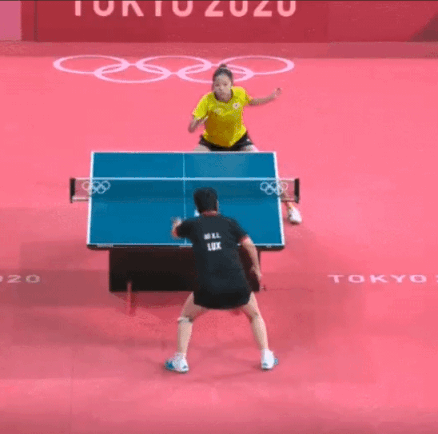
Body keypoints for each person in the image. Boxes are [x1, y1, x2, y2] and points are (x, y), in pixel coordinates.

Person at [164, 188, 278, 373]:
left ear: (197, 208)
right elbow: (249, 245)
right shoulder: (230, 223)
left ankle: (180, 361)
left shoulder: (191, 225)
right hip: (238, 286)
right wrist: (257, 269)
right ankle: (267, 357)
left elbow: (175, 234)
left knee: (186, 317)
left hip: (208, 289)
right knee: (255, 315)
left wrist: (177, 224)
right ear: (217, 205)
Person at [189, 63, 302, 225]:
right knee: (192, 163)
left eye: (225, 84)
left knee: (265, 168)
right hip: (212, 142)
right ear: (213, 86)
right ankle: (195, 207)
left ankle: (290, 207)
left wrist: (270, 98)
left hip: (238, 140)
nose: (221, 88)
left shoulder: (240, 93)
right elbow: (191, 128)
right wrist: (198, 122)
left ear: (231, 84)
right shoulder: (206, 101)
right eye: (217, 85)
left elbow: (252, 101)